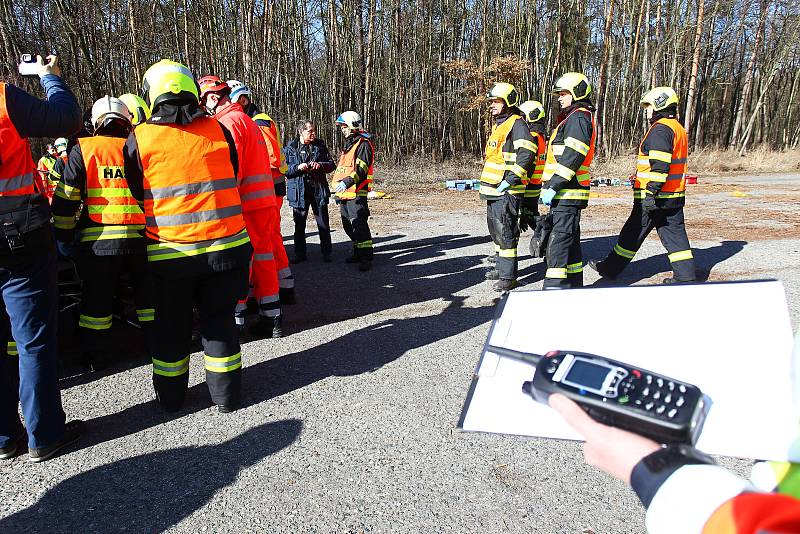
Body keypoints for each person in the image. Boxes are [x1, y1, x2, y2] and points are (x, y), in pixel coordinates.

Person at [124, 60, 252, 413]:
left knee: (171, 328)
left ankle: (171, 399)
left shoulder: (140, 137)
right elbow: (233, 173)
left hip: (172, 257)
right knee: (220, 322)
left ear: (152, 95)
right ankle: (226, 397)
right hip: (228, 249)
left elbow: (138, 190)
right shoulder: (219, 129)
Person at [0, 54, 84, 463]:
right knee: (32, 339)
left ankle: (4, 438)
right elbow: (66, 117)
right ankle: (45, 434)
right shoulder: (3, 100)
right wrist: (49, 76)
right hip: (17, 233)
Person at [51, 95, 153, 372]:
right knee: (147, 298)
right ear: (126, 119)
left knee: (96, 302)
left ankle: (96, 356)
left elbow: (66, 198)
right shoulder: (141, 145)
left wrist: (62, 235)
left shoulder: (83, 148)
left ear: (95, 123)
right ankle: (157, 345)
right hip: (143, 240)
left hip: (97, 244)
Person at [199, 75, 283, 338]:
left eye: (203, 103)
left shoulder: (227, 123)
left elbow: (230, 168)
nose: (203, 109)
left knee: (239, 263)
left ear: (213, 98)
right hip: (263, 201)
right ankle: (272, 318)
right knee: (264, 258)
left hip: (244, 203)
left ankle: (235, 320)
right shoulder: (246, 120)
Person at [588, 87, 696, 284]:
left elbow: (660, 166)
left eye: (648, 106)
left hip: (655, 197)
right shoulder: (677, 127)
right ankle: (686, 276)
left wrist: (650, 193)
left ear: (658, 105)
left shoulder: (660, 129)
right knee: (675, 236)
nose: (646, 110)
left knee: (632, 233)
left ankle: (609, 268)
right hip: (674, 195)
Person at [540, 72, 596, 289]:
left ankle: (553, 286)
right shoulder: (573, 118)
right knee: (570, 241)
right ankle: (573, 285)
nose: (560, 98)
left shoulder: (579, 118)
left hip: (567, 191)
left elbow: (573, 155)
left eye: (564, 94)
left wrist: (553, 185)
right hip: (566, 192)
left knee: (560, 241)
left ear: (577, 93)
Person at [479, 83, 536, 291]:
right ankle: (501, 267)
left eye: (496, 101)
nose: (492, 105)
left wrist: (511, 179)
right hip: (493, 190)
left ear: (508, 102)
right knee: (496, 231)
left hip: (507, 190)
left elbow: (527, 153)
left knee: (506, 231)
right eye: (491, 102)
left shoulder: (517, 123)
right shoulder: (500, 124)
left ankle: (508, 277)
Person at [284, 119, 335, 263]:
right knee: (299, 224)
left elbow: (331, 165)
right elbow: (285, 170)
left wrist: (319, 165)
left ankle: (327, 253)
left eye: (314, 130)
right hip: (299, 191)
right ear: (301, 131)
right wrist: (298, 168)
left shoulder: (320, 145)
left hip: (317, 189)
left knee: (323, 223)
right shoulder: (290, 148)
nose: (313, 133)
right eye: (310, 131)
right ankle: (300, 255)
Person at [331, 111, 375, 271]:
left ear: (352, 126)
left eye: (344, 127)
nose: (343, 130)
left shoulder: (363, 144)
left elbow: (361, 169)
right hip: (345, 192)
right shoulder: (350, 144)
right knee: (348, 225)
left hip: (357, 192)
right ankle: (357, 252)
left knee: (359, 225)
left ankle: (366, 257)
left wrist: (346, 182)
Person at [517, 100, 550, 258]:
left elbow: (528, 161)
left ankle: (544, 230)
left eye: (523, 115)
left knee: (528, 214)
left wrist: (519, 180)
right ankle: (543, 234)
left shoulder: (533, 136)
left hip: (528, 183)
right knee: (528, 213)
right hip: (535, 183)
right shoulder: (541, 135)